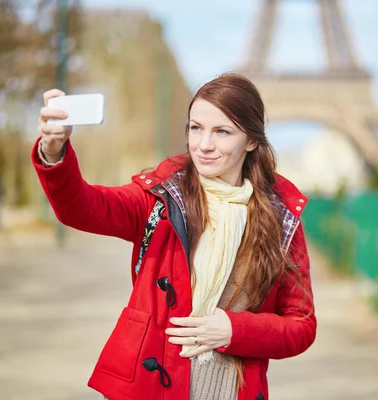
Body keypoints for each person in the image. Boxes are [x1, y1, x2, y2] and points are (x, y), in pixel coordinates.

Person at [32, 73, 316, 400]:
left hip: (229, 390)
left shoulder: (279, 219)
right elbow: (81, 208)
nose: (204, 144)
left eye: (222, 131)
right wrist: (54, 153)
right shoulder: (161, 197)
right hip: (150, 388)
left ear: (251, 141)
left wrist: (234, 330)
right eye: (196, 128)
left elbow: (301, 326)